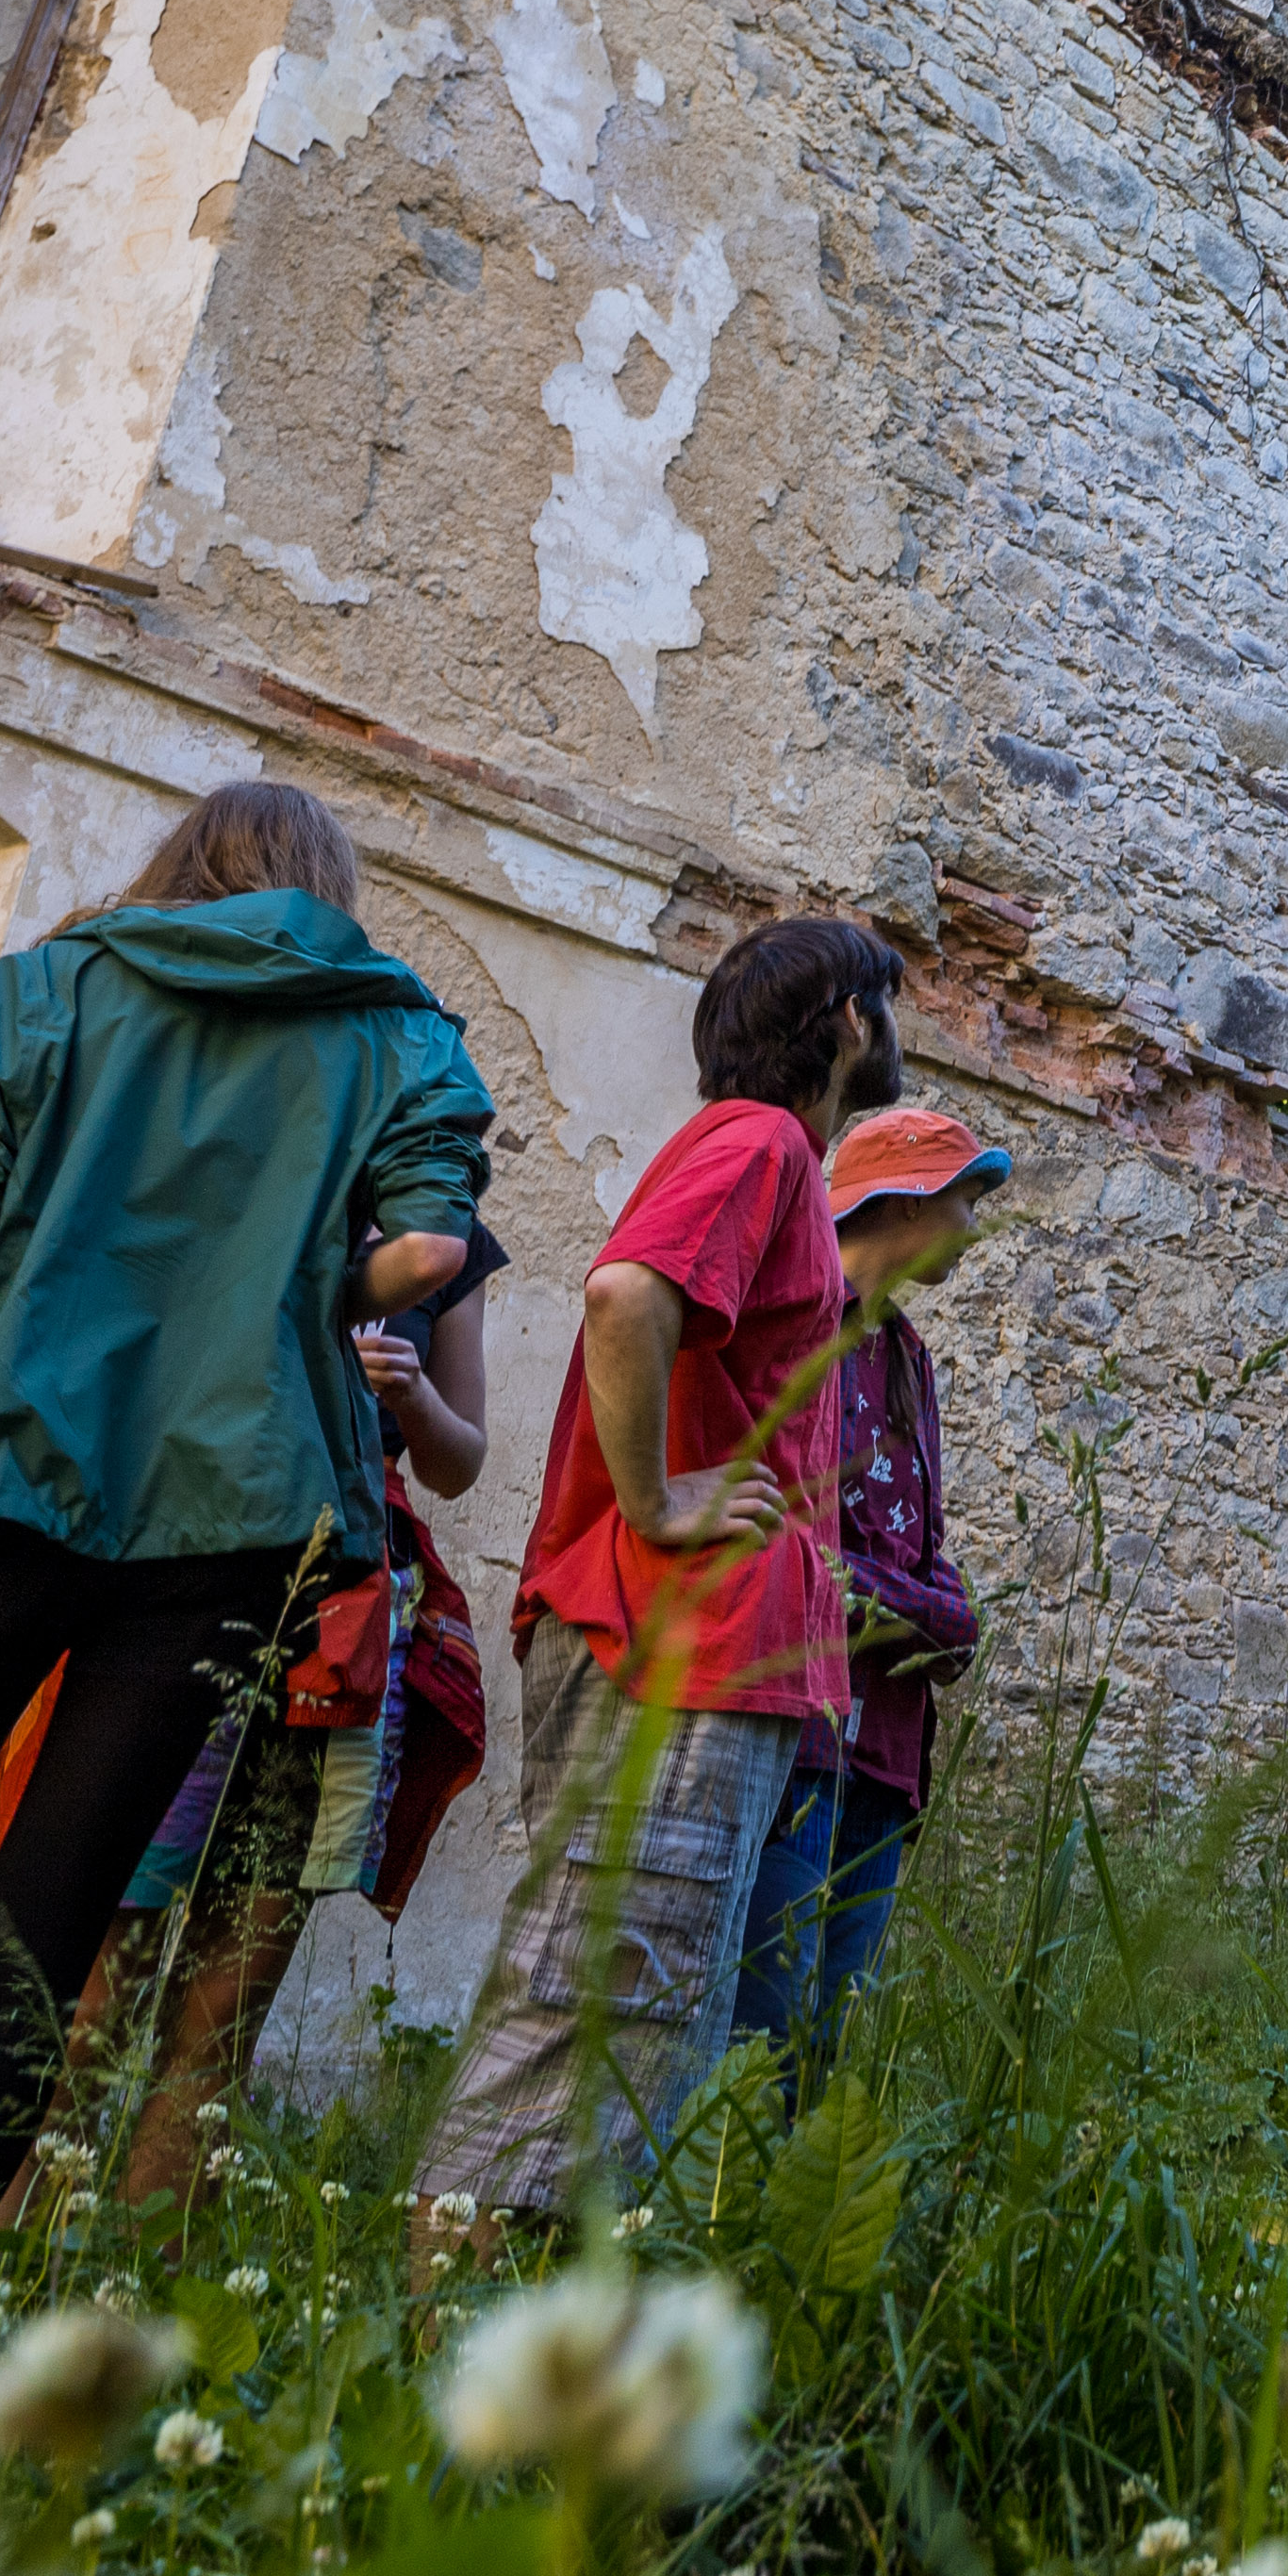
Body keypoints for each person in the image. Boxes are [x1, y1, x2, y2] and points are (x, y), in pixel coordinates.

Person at [0, 782, 493, 2210]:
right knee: (65, 1881)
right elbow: (430, 1256)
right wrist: (320, 1286)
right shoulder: (401, 1030)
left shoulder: (39, 989)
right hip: (231, 1517)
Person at [415, 914, 912, 2221]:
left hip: (707, 1653)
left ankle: (524, 2345)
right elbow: (626, 1293)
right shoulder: (757, 1143)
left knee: (642, 2012)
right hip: (671, 1640)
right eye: (888, 1007)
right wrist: (660, 1498)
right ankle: (442, 2346)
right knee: (600, 1993)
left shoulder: (772, 1162)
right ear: (850, 1021)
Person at [25, 1214, 508, 2209]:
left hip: (343, 1617)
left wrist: (412, 1397)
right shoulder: (254, 1165)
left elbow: (459, 1461)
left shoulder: (455, 1237)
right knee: (98, 1965)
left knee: (230, 1984)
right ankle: (4, 2254)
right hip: (186, 1576)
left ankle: (144, 2277)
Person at [729, 1106, 1008, 2057]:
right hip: (802, 1737)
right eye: (966, 1196)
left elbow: (930, 1579)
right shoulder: (804, 1316)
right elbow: (798, 1549)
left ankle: (795, 2211)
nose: (976, 1224)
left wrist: (917, 1610)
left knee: (829, 2039)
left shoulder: (908, 1358)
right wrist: (917, 1611)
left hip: (885, 1750)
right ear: (907, 1199)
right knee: (763, 2028)